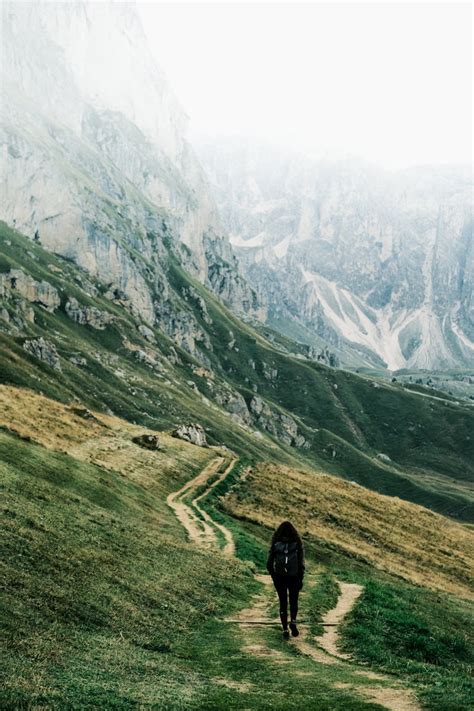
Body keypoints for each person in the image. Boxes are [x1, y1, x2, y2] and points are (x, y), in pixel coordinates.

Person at [266, 520, 305, 638]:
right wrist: (300, 579)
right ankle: (293, 621)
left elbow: (269, 564)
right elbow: (301, 565)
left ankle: (284, 629)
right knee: (294, 601)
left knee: (283, 603)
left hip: (280, 578)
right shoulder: (297, 544)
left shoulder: (276, 544)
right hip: (294, 578)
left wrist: (274, 576)